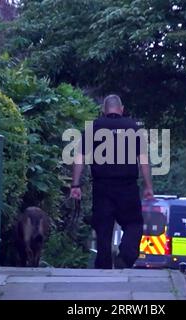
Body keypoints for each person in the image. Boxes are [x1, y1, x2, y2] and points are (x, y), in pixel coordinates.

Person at [70, 94, 154, 269]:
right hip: (128, 187)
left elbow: (79, 158)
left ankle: (103, 267)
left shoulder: (93, 127)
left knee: (103, 229)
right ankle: (126, 256)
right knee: (134, 224)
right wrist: (148, 187)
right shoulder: (133, 128)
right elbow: (143, 160)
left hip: (102, 187)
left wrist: (75, 185)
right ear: (121, 109)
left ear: (103, 110)